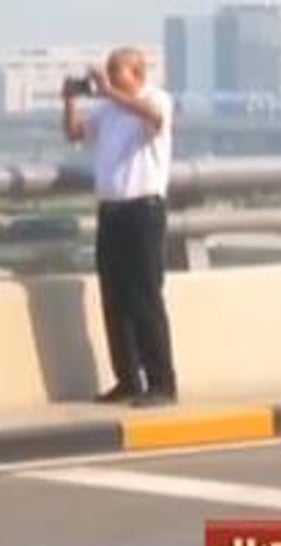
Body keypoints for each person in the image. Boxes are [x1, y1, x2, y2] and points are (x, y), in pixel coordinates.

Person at [62, 47, 177, 408]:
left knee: (144, 298)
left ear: (138, 74)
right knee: (115, 298)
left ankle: (162, 383)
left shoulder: (154, 99)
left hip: (143, 211)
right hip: (111, 212)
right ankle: (127, 379)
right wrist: (69, 102)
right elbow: (76, 133)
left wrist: (111, 93)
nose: (110, 79)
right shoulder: (107, 110)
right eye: (107, 73)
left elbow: (153, 119)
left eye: (118, 72)